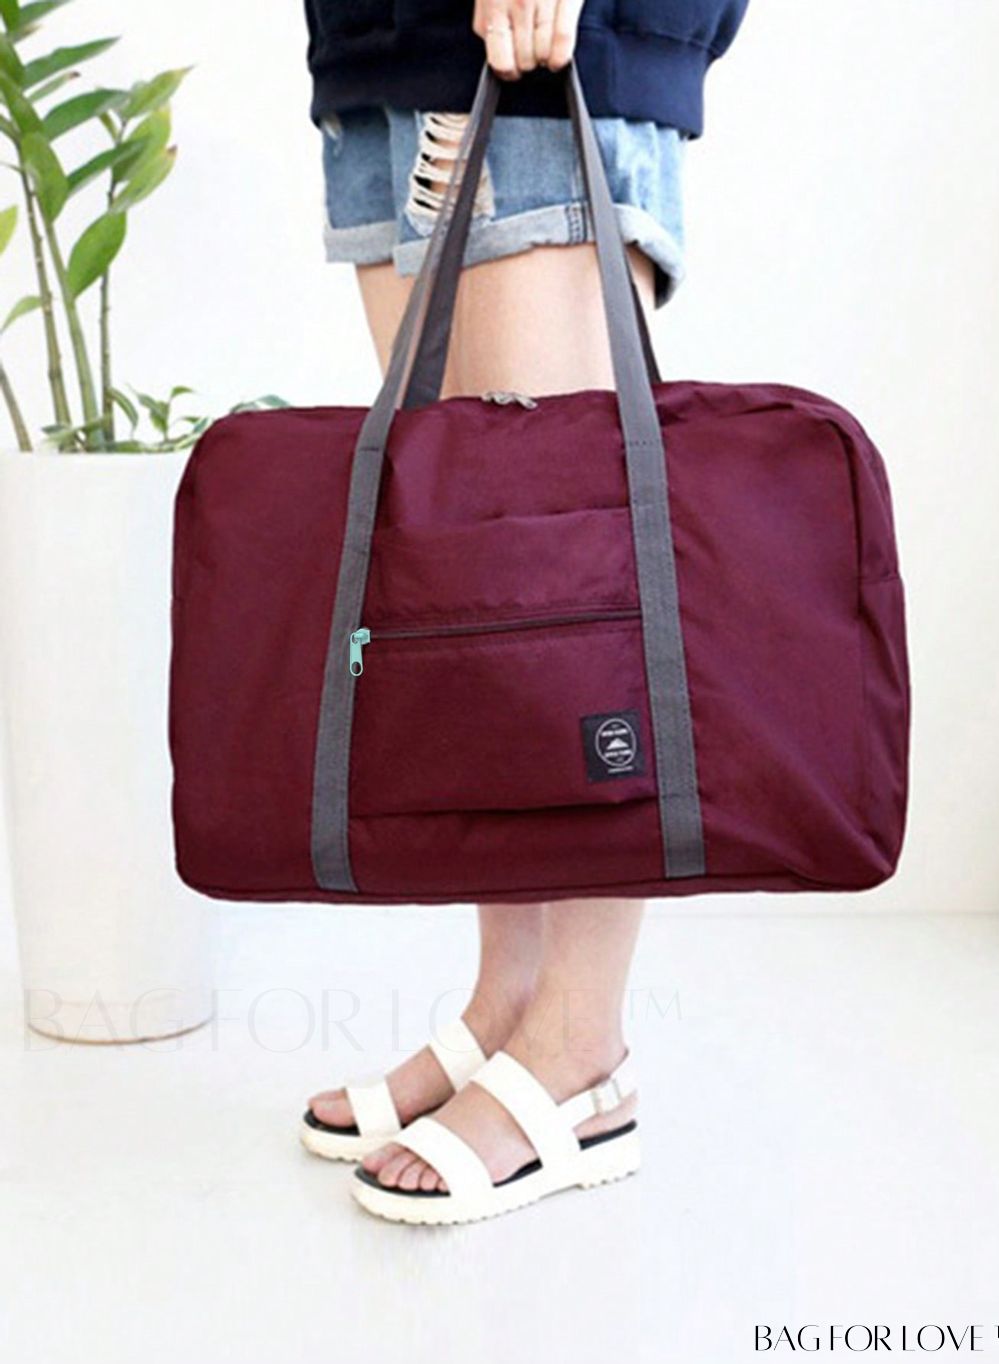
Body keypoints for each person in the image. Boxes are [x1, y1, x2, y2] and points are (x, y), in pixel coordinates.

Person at [300, 0, 749, 1223]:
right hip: (383, 43)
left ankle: (580, 1044)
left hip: (545, 40)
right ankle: (509, 1004)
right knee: (483, 597)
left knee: (569, 597)